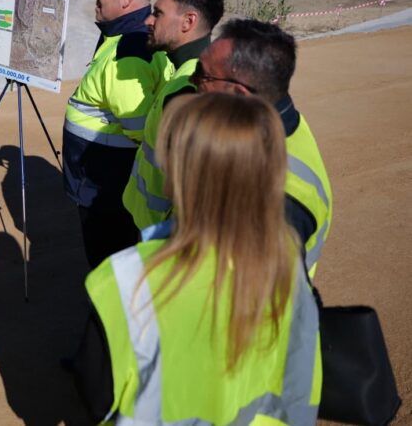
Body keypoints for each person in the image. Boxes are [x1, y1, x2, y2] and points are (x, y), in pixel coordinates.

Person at [71, 93, 321, 425]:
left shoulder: (123, 280)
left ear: (179, 178)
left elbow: (97, 397)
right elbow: (303, 384)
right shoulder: (288, 269)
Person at [195, 19, 332, 276]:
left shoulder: (279, 198)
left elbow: (256, 299)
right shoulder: (274, 122)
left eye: (203, 74)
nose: (193, 82)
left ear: (238, 94)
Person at [62, 0, 167, 268]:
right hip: (105, 181)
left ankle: (104, 315)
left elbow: (139, 128)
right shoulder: (126, 36)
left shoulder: (129, 51)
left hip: (105, 187)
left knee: (108, 265)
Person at [123, 0, 224, 231]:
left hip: (158, 241)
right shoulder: (184, 71)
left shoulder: (190, 90)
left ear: (188, 22)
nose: (148, 20)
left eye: (158, 14)